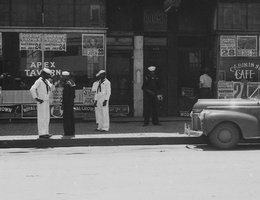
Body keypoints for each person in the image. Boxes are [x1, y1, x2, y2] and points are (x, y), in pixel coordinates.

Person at [30, 68, 58, 139]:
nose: (49, 76)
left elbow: (52, 88)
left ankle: (46, 132)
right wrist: (37, 98)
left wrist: (54, 82)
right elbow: (32, 89)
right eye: (47, 75)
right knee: (42, 117)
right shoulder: (38, 81)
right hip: (41, 101)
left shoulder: (46, 81)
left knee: (46, 117)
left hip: (46, 100)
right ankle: (41, 133)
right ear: (43, 74)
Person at [61, 71, 76, 137]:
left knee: (67, 118)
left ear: (66, 77)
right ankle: (72, 132)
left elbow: (66, 95)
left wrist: (63, 103)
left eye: (63, 77)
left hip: (67, 104)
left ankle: (67, 132)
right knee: (71, 118)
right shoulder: (72, 82)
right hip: (71, 103)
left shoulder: (67, 83)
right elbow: (73, 94)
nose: (62, 78)